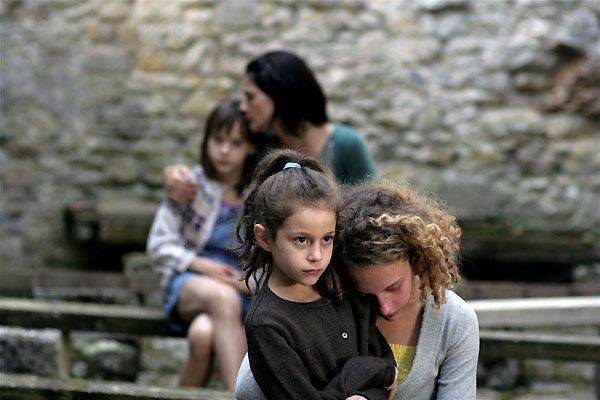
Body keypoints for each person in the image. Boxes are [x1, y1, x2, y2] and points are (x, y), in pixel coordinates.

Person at [236, 180, 479, 400]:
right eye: (365, 295)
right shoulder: (324, 301)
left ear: (416, 259)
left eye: (394, 287)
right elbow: (248, 388)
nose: (384, 308)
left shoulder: (454, 321)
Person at [236, 149, 397, 400]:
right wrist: (361, 376)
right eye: (302, 240)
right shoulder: (267, 326)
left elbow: (386, 369)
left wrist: (366, 395)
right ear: (265, 237)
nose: (317, 255)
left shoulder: (341, 287)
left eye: (327, 239)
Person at [163, 50, 377, 205]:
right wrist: (173, 175)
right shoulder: (260, 144)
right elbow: (214, 177)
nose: (244, 107)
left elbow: (373, 207)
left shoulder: (347, 145)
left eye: (251, 97)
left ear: (279, 96)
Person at [146, 98, 257, 390]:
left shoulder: (259, 195)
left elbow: (274, 259)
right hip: (192, 282)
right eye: (217, 140)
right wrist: (202, 265)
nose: (224, 150)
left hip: (243, 289)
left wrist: (245, 283)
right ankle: (242, 396)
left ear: (250, 147)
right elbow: (158, 244)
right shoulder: (191, 185)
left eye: (235, 143)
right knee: (222, 299)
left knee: (202, 334)